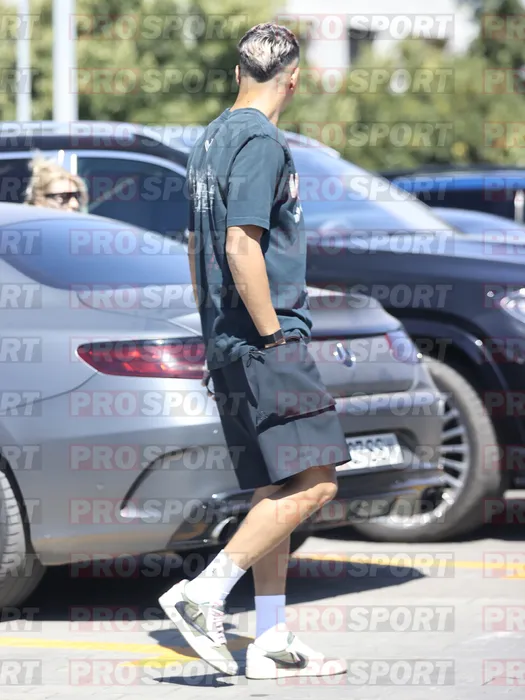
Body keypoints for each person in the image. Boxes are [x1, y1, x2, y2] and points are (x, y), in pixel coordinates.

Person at [159, 23, 350, 680]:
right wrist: (273, 338)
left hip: (228, 341)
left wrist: (216, 331)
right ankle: (203, 593)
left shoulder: (208, 139)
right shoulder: (262, 141)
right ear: (293, 80)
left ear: (237, 73)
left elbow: (197, 250)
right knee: (318, 481)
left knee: (278, 487)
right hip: (264, 341)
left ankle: (269, 638)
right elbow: (241, 246)